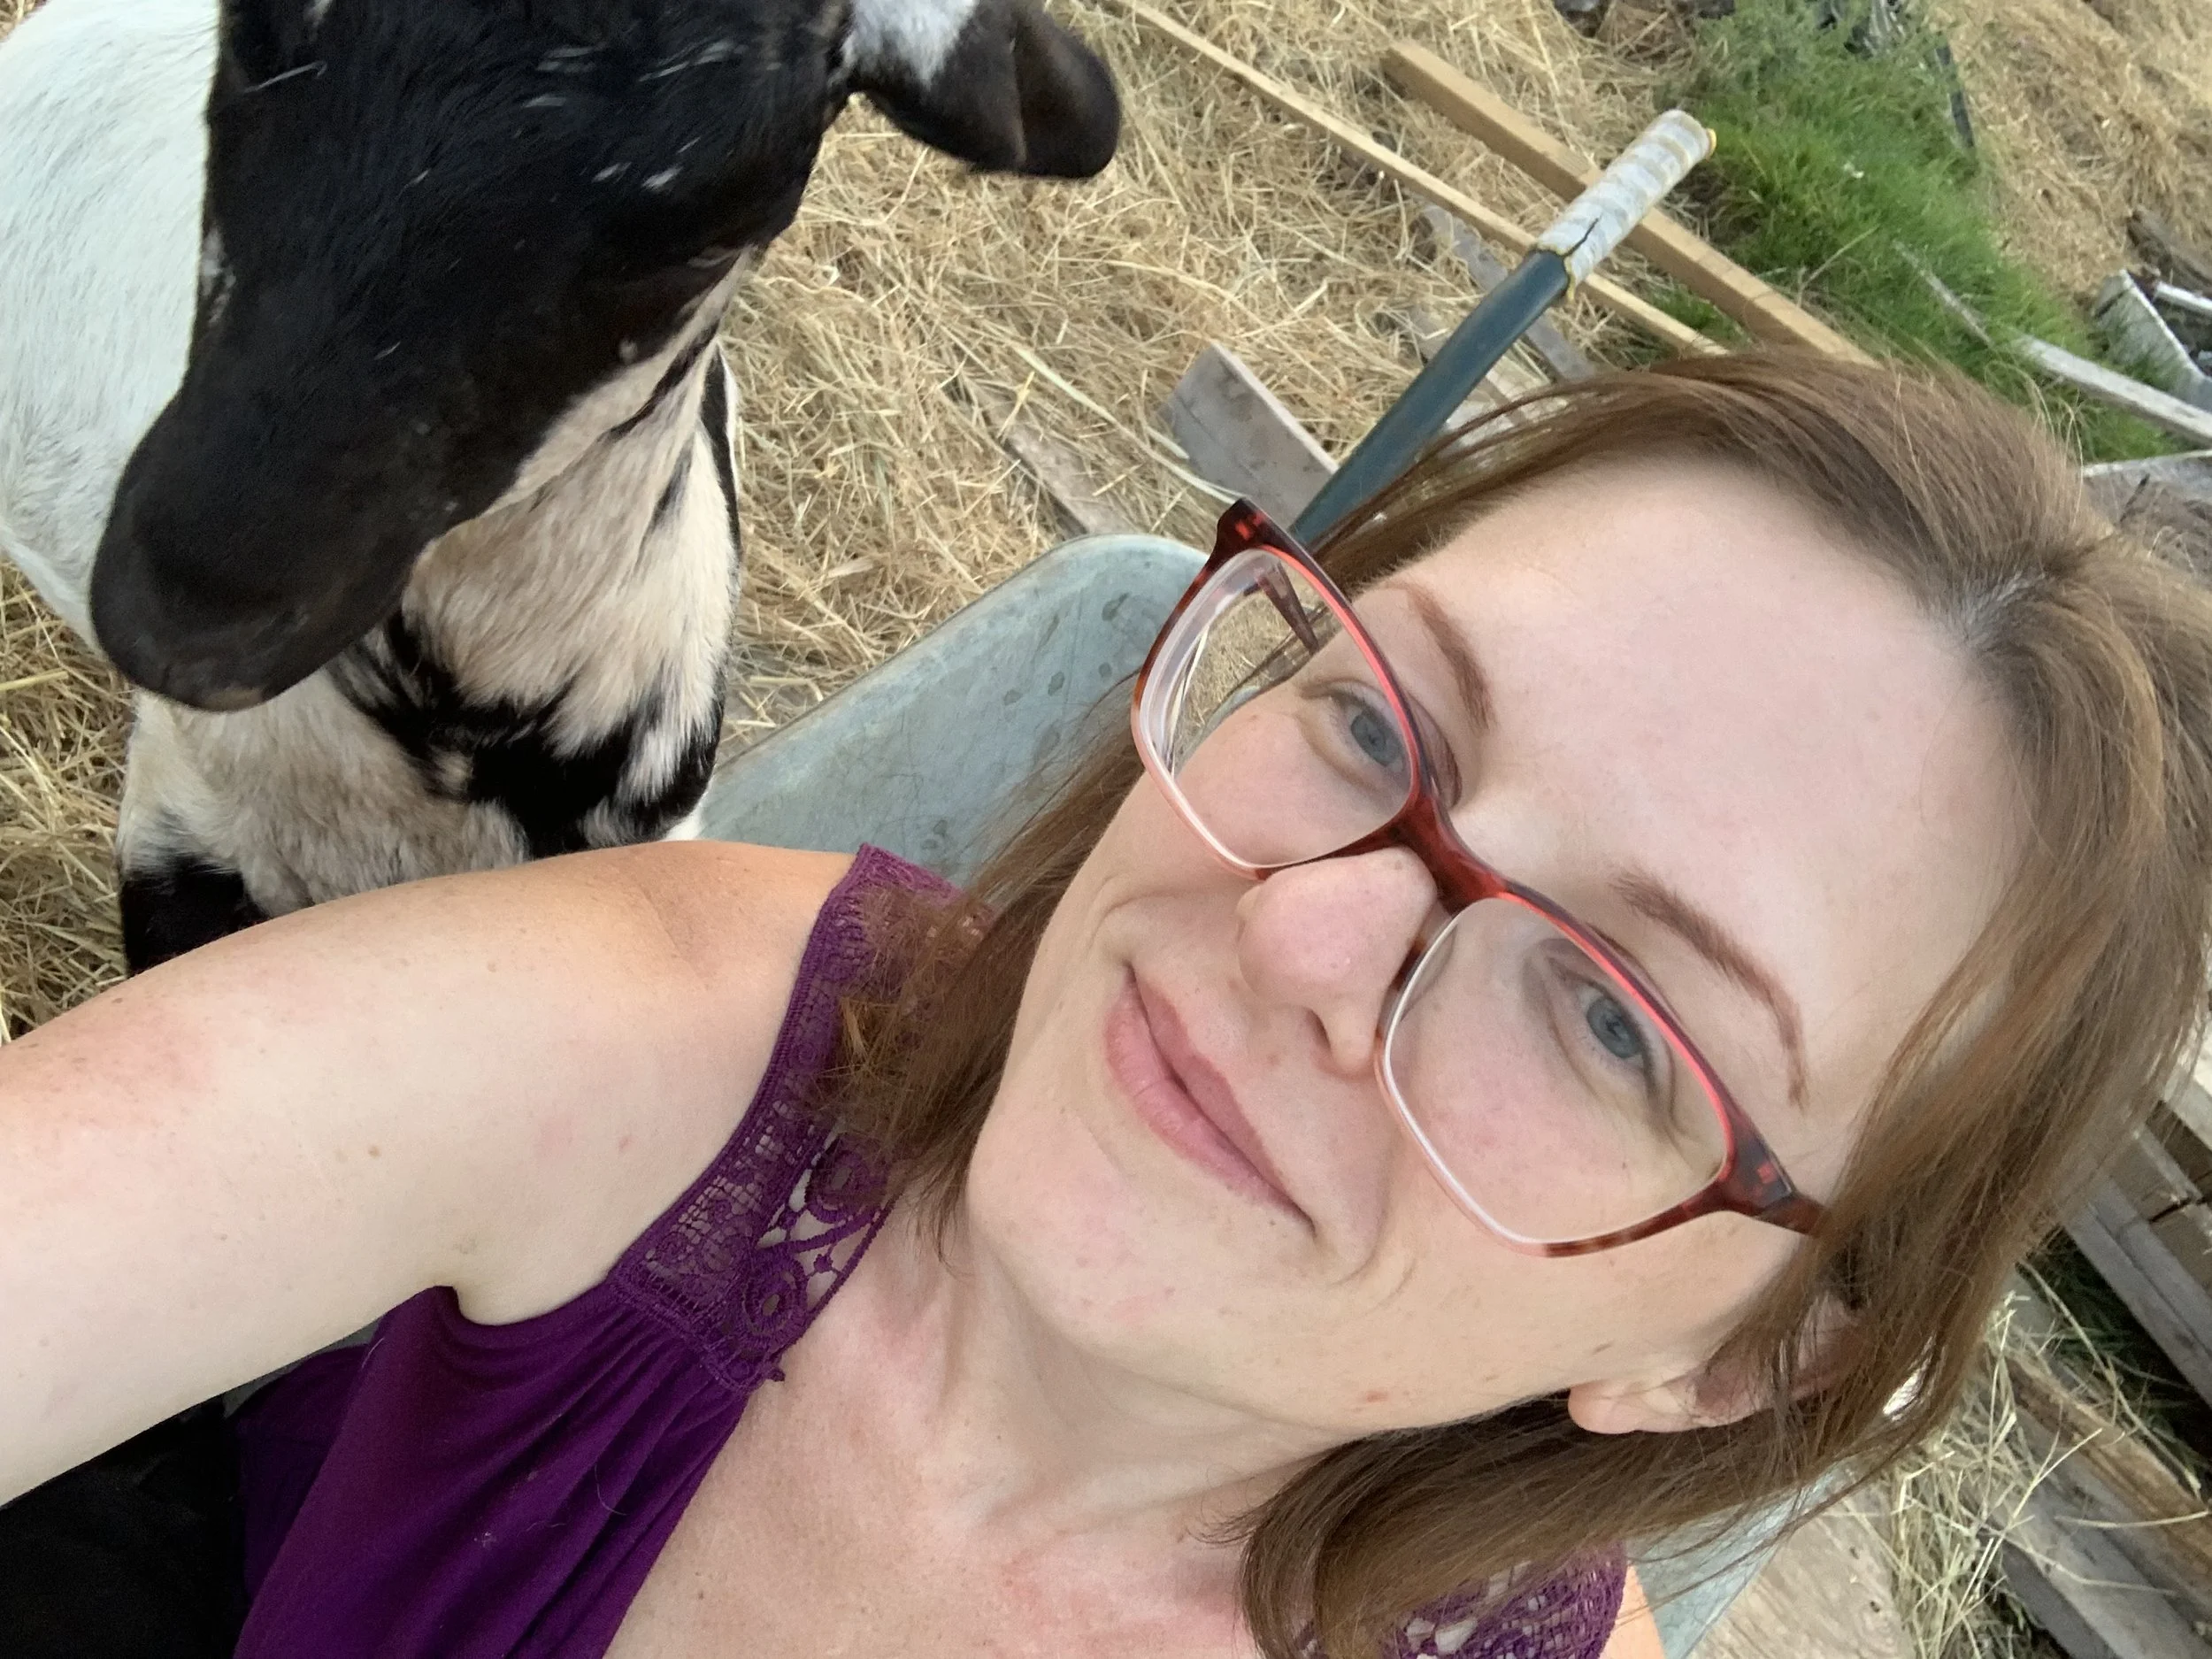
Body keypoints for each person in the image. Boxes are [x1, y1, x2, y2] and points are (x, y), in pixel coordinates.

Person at [4, 352, 2210, 1659]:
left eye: (1613, 1016)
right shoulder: (636, 1060)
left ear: (1733, 1355)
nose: (1298, 941)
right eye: (1376, 723)